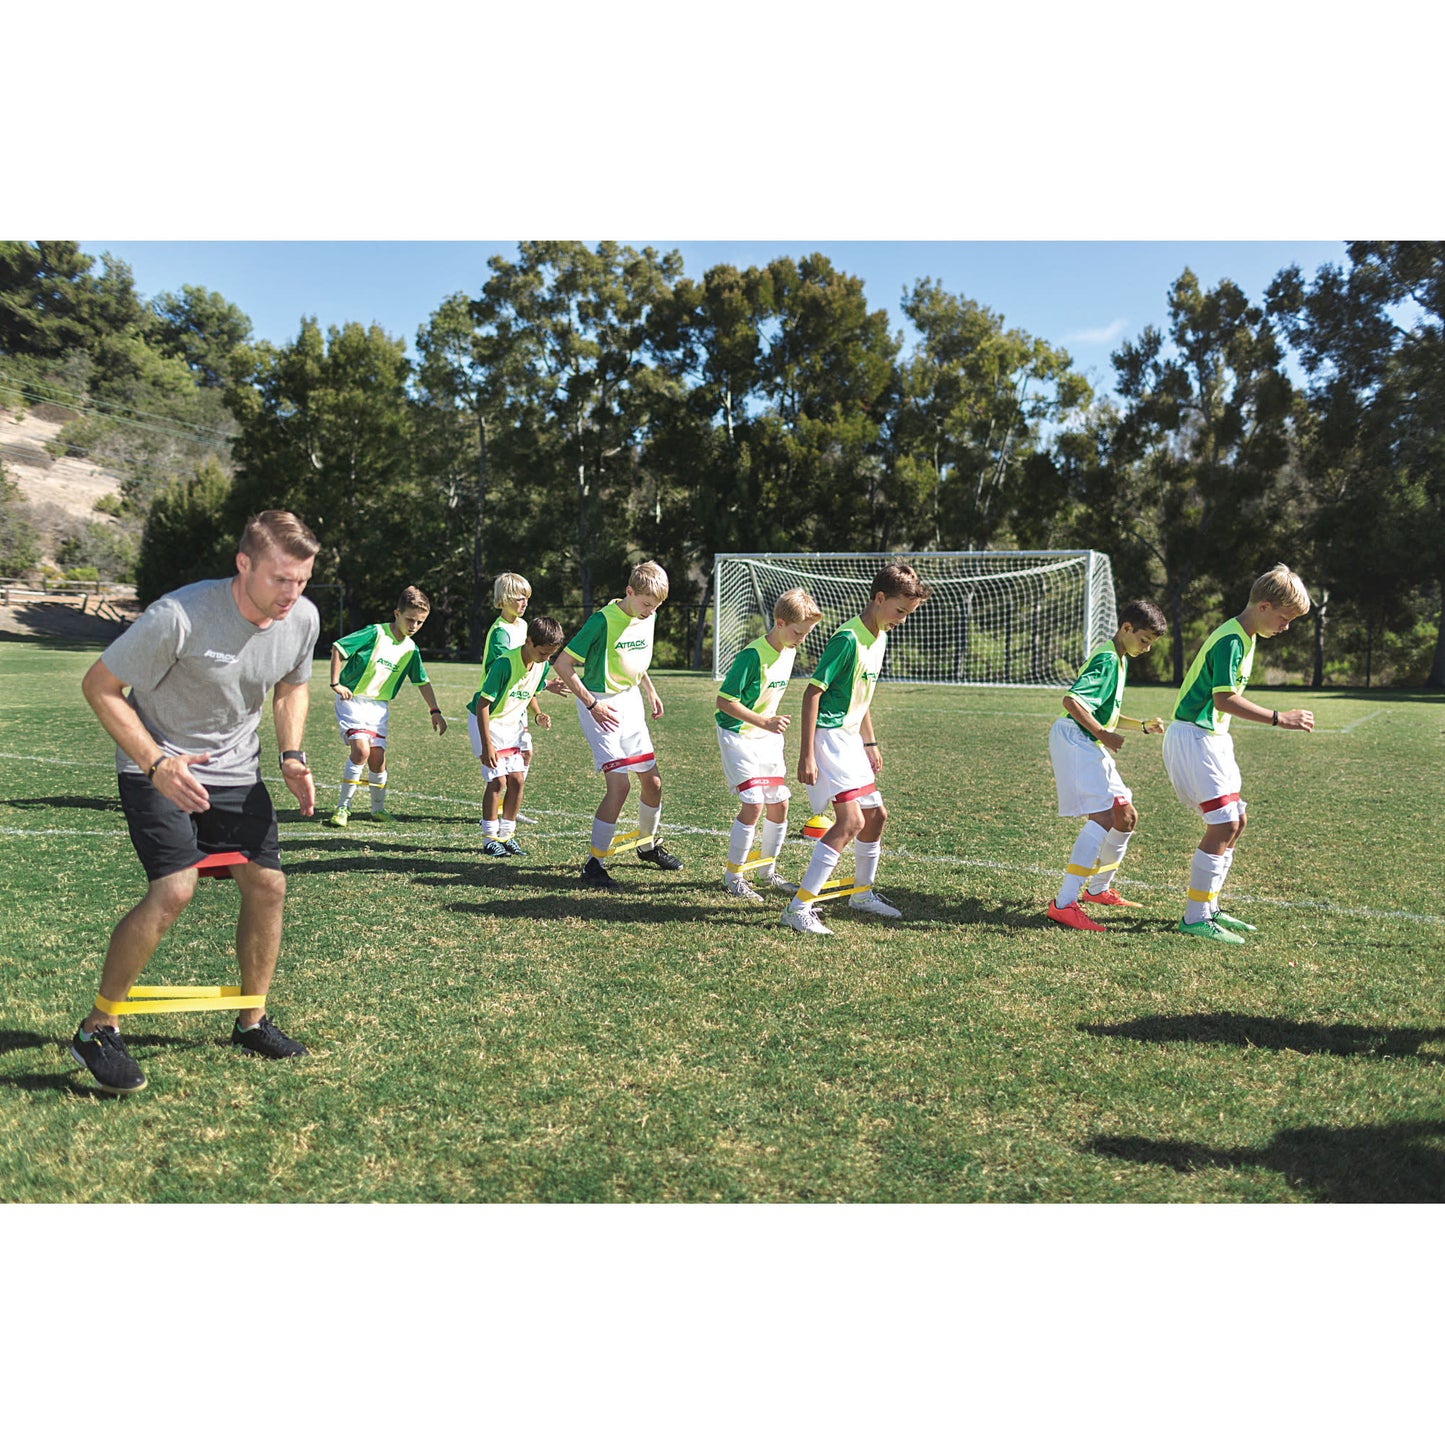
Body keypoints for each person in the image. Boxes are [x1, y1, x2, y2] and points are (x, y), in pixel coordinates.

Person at [68, 509, 322, 1095]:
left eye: (302, 580)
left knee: (268, 885)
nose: (292, 594)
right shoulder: (178, 616)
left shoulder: (302, 619)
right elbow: (100, 687)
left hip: (236, 771)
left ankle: (252, 1018)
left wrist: (291, 755)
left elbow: (292, 684)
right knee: (175, 889)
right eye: (280, 578)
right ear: (244, 564)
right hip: (159, 765)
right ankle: (96, 1030)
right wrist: (156, 763)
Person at [1162, 562, 1315, 944]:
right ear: (1263, 606)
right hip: (1194, 736)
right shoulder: (1232, 639)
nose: (1286, 626)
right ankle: (1194, 917)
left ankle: (1209, 907)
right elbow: (1224, 699)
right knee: (1224, 824)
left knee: (1237, 821)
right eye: (1284, 617)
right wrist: (1281, 718)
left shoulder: (1247, 637)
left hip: (1212, 738)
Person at [783, 562, 930, 935]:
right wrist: (806, 754)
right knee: (851, 822)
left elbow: (861, 699)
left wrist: (870, 741)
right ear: (879, 598)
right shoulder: (847, 639)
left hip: (850, 738)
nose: (903, 620)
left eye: (908, 614)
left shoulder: (879, 635)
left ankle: (861, 894)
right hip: (829, 738)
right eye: (900, 611)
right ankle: (799, 908)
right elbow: (812, 693)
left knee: (877, 816)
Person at [552, 561, 683, 889]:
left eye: (657, 606)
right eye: (647, 604)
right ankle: (594, 863)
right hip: (600, 703)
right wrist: (592, 704)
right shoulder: (601, 621)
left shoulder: (647, 615)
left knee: (653, 782)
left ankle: (648, 845)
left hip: (630, 701)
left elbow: (636, 660)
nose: (651, 612)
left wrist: (650, 690)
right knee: (620, 785)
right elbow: (562, 664)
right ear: (629, 592)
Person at [1046, 600, 1168, 932]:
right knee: (1102, 815)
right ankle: (1063, 904)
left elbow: (1105, 714)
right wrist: (1102, 734)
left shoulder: (1120, 658)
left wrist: (1141, 725)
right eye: (1143, 640)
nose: (1145, 649)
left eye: (1150, 645)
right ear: (1126, 628)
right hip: (1075, 738)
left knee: (1125, 816)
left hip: (1088, 738)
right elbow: (1071, 702)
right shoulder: (1106, 658)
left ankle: (1097, 891)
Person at [715, 587, 824, 901]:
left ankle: (767, 871)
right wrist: (763, 721)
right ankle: (733, 877)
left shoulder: (788, 649)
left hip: (766, 735)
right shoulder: (753, 655)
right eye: (797, 632)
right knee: (754, 803)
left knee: (780, 803)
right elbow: (724, 701)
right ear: (779, 623)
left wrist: (768, 724)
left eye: (807, 633)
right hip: (737, 733)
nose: (801, 638)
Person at [323, 586, 446, 826]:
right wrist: (335, 683)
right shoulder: (375, 633)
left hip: (378, 707)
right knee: (361, 751)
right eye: (410, 620)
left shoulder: (411, 649)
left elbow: (422, 681)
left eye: (420, 622)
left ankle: (378, 809)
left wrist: (435, 710)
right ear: (396, 614)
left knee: (377, 758)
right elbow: (338, 647)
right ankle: (342, 808)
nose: (414, 626)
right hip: (352, 699)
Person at [468, 614, 563, 856]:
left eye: (551, 654)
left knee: (517, 780)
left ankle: (507, 835)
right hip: (488, 722)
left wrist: (538, 713)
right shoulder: (504, 664)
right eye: (543, 653)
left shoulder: (541, 664)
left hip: (512, 725)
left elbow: (529, 690)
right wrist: (487, 744)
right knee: (498, 781)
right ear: (528, 642)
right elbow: (482, 705)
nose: (547, 659)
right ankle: (490, 838)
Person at [484, 572, 548, 819]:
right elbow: (506, 671)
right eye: (520, 598)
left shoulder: (523, 626)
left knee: (527, 753)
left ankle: (512, 803)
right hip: (500, 707)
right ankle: (504, 805)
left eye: (527, 599)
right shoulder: (500, 632)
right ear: (505, 598)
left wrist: (543, 683)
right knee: (501, 770)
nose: (525, 603)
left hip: (518, 703)